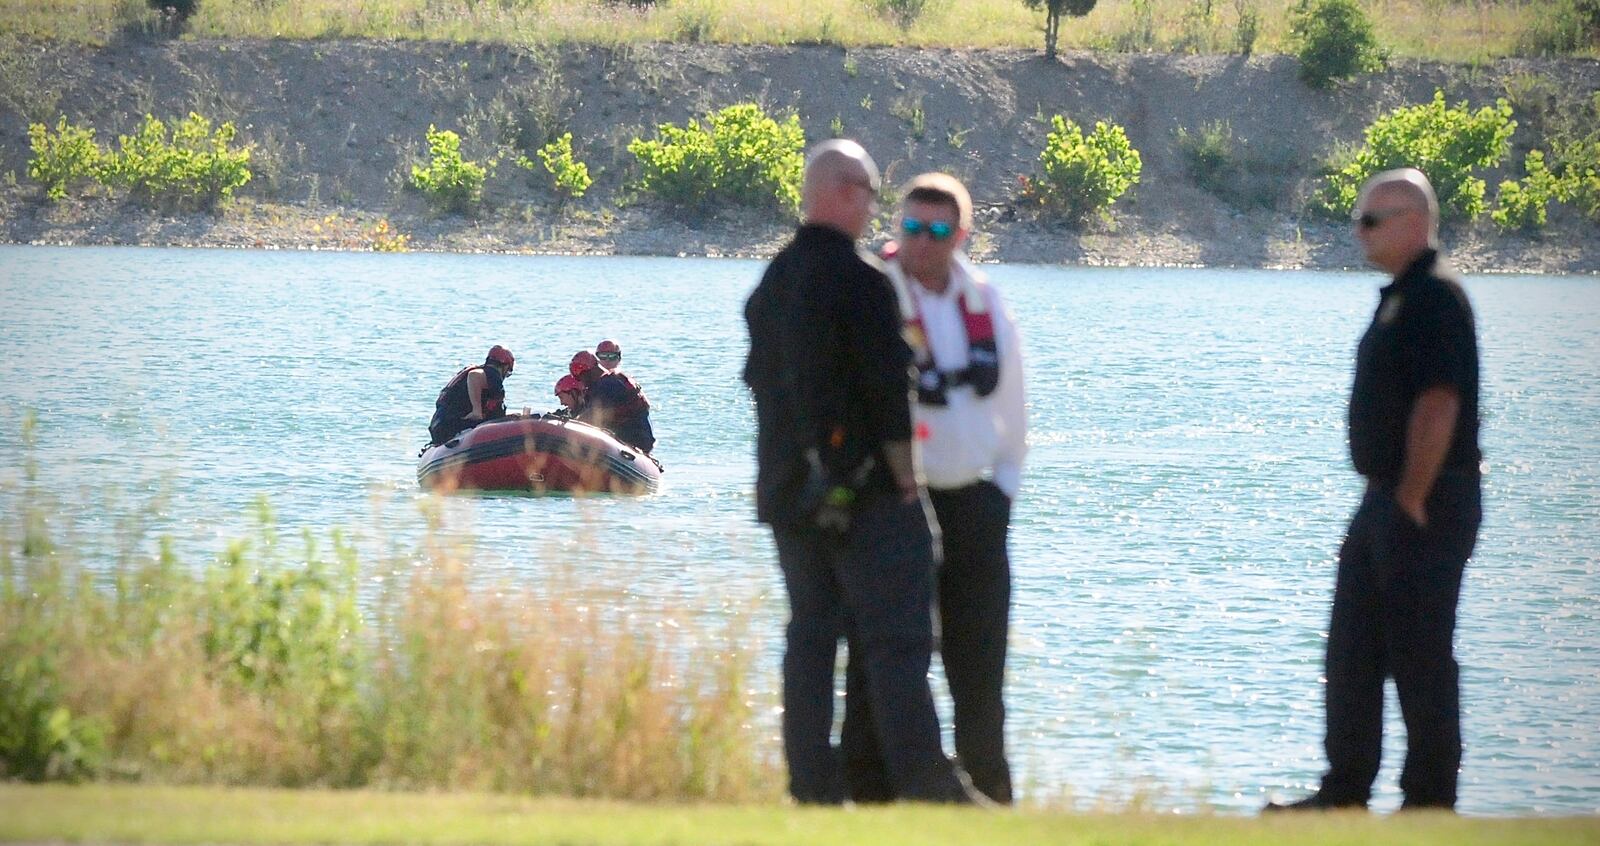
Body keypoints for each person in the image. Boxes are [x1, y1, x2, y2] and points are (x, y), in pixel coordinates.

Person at [743, 139, 975, 805]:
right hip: (868, 490)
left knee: (811, 638)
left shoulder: (773, 284)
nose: (873, 209)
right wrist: (907, 482)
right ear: (844, 193)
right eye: (871, 195)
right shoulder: (865, 283)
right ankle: (925, 785)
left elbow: (767, 388)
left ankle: (813, 787)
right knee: (898, 640)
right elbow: (887, 396)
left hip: (790, 493)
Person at [1266, 168, 1482, 813]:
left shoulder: (1438, 298)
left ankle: (1429, 802)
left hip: (1427, 498)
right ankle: (1345, 791)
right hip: (1386, 497)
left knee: (1420, 653)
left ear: (1412, 223)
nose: (1357, 232)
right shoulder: (1400, 297)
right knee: (1353, 647)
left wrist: (1412, 497)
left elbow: (1439, 403)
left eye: (1369, 220)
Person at [841, 173, 1027, 805]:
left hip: (976, 503)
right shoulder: (872, 291)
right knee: (887, 658)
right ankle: (875, 798)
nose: (922, 242)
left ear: (961, 234)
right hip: (897, 503)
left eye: (938, 230)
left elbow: (1013, 402)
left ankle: (992, 799)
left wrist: (1005, 488)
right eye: (912, 227)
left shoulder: (986, 298)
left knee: (980, 669)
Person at [428, 345, 515, 446]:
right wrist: (476, 411)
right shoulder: (492, 373)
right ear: (504, 366)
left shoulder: (469, 379)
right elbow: (474, 376)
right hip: (453, 424)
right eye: (508, 372)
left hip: (439, 428)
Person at [570, 349, 655, 453]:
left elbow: (591, 415)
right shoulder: (614, 380)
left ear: (587, 372)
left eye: (580, 377)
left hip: (633, 440)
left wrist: (571, 425)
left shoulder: (606, 385)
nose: (581, 381)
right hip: (641, 438)